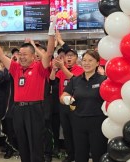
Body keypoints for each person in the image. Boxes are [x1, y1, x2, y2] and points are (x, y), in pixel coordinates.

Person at [0, 16, 56, 162]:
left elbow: (49, 53)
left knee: (36, 144)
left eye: (25, 55)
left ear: (33, 56)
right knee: (22, 143)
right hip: (18, 110)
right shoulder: (16, 68)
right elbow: (0, 55)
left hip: (35, 110)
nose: (21, 57)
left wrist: (51, 32)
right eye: (20, 55)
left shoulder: (39, 67)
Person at [60, 50, 107, 162]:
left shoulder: (103, 80)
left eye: (90, 60)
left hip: (97, 123)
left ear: (97, 63)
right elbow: (63, 96)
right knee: (80, 155)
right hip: (78, 122)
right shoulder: (75, 80)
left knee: (98, 154)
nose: (86, 63)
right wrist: (65, 99)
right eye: (84, 60)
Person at [49, 31, 84, 162]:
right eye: (67, 56)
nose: (69, 58)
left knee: (77, 131)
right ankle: (70, 155)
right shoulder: (61, 71)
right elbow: (52, 81)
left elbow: (74, 80)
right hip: (62, 106)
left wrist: (62, 67)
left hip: (75, 106)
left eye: (71, 56)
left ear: (76, 59)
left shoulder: (80, 70)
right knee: (67, 132)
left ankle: (79, 155)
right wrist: (53, 69)